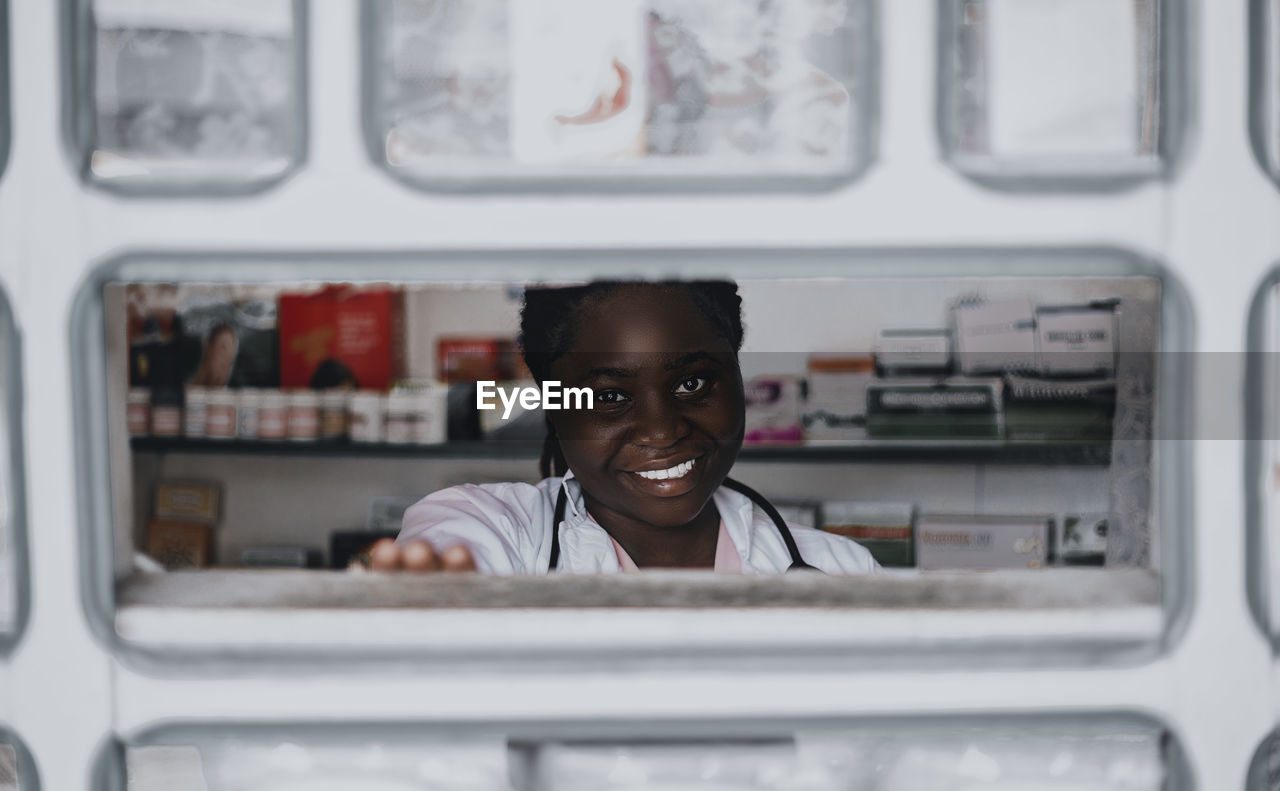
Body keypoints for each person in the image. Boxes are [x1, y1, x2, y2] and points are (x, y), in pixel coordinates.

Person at [369, 280, 878, 575]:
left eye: (693, 383)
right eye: (610, 397)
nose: (662, 431)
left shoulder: (840, 571)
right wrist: (434, 599)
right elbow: (451, 563)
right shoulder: (494, 528)